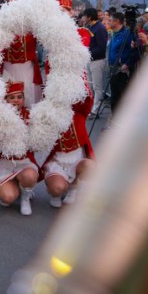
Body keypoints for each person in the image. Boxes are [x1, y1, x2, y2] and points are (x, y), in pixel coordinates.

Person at [0, 82, 39, 215]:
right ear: (5, 100)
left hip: (24, 162)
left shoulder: (31, 115)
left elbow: (37, 143)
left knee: (29, 176)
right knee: (7, 199)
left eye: (19, 97)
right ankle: (13, 187)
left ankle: (25, 197)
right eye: (12, 97)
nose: (16, 100)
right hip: (5, 163)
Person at [42, 77, 95, 207]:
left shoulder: (79, 114)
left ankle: (74, 187)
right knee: (57, 188)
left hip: (76, 162)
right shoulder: (49, 115)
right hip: (57, 163)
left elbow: (87, 97)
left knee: (91, 166)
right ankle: (56, 192)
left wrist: (78, 76)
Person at [107, 12, 138, 116]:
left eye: (110, 20)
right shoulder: (113, 33)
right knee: (114, 97)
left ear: (116, 21)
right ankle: (114, 120)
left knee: (122, 97)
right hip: (112, 69)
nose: (108, 22)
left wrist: (127, 64)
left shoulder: (127, 34)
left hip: (122, 70)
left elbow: (134, 51)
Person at [1, 31, 42, 108]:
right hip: (8, 69)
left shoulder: (32, 25)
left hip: (27, 68)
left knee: (28, 93)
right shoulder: (0, 26)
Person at [85, 8, 108, 117]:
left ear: (89, 17)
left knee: (97, 86)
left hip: (97, 61)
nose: (84, 18)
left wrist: (88, 52)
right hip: (89, 60)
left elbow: (102, 47)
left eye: (85, 16)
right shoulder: (89, 27)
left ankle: (96, 110)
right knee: (90, 86)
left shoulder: (100, 28)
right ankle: (91, 107)